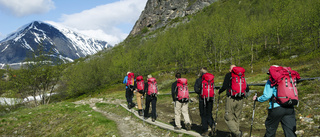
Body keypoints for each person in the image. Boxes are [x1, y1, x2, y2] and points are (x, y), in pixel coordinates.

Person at [252, 65, 297, 137]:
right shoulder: (288, 78)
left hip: (276, 108)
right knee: (290, 132)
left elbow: (267, 95)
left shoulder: (271, 80)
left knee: (271, 131)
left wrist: (258, 99)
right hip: (290, 107)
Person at [218, 65, 249, 137]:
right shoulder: (241, 75)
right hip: (240, 98)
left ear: (230, 70)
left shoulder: (229, 75)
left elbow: (225, 86)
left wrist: (220, 91)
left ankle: (237, 133)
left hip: (231, 98)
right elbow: (247, 88)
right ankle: (235, 134)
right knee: (236, 117)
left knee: (228, 117)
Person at [194, 67, 215, 136]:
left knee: (203, 114)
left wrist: (201, 92)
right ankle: (212, 125)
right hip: (210, 98)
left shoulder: (199, 80)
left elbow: (196, 89)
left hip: (202, 99)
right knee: (209, 113)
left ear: (201, 72)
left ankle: (205, 130)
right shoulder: (211, 79)